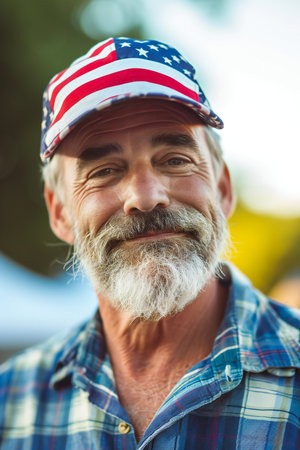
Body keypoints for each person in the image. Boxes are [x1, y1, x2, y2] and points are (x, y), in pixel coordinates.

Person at [1, 37, 300, 449]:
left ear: (223, 189)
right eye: (105, 170)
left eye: (174, 160)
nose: (145, 197)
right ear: (59, 213)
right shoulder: (10, 402)